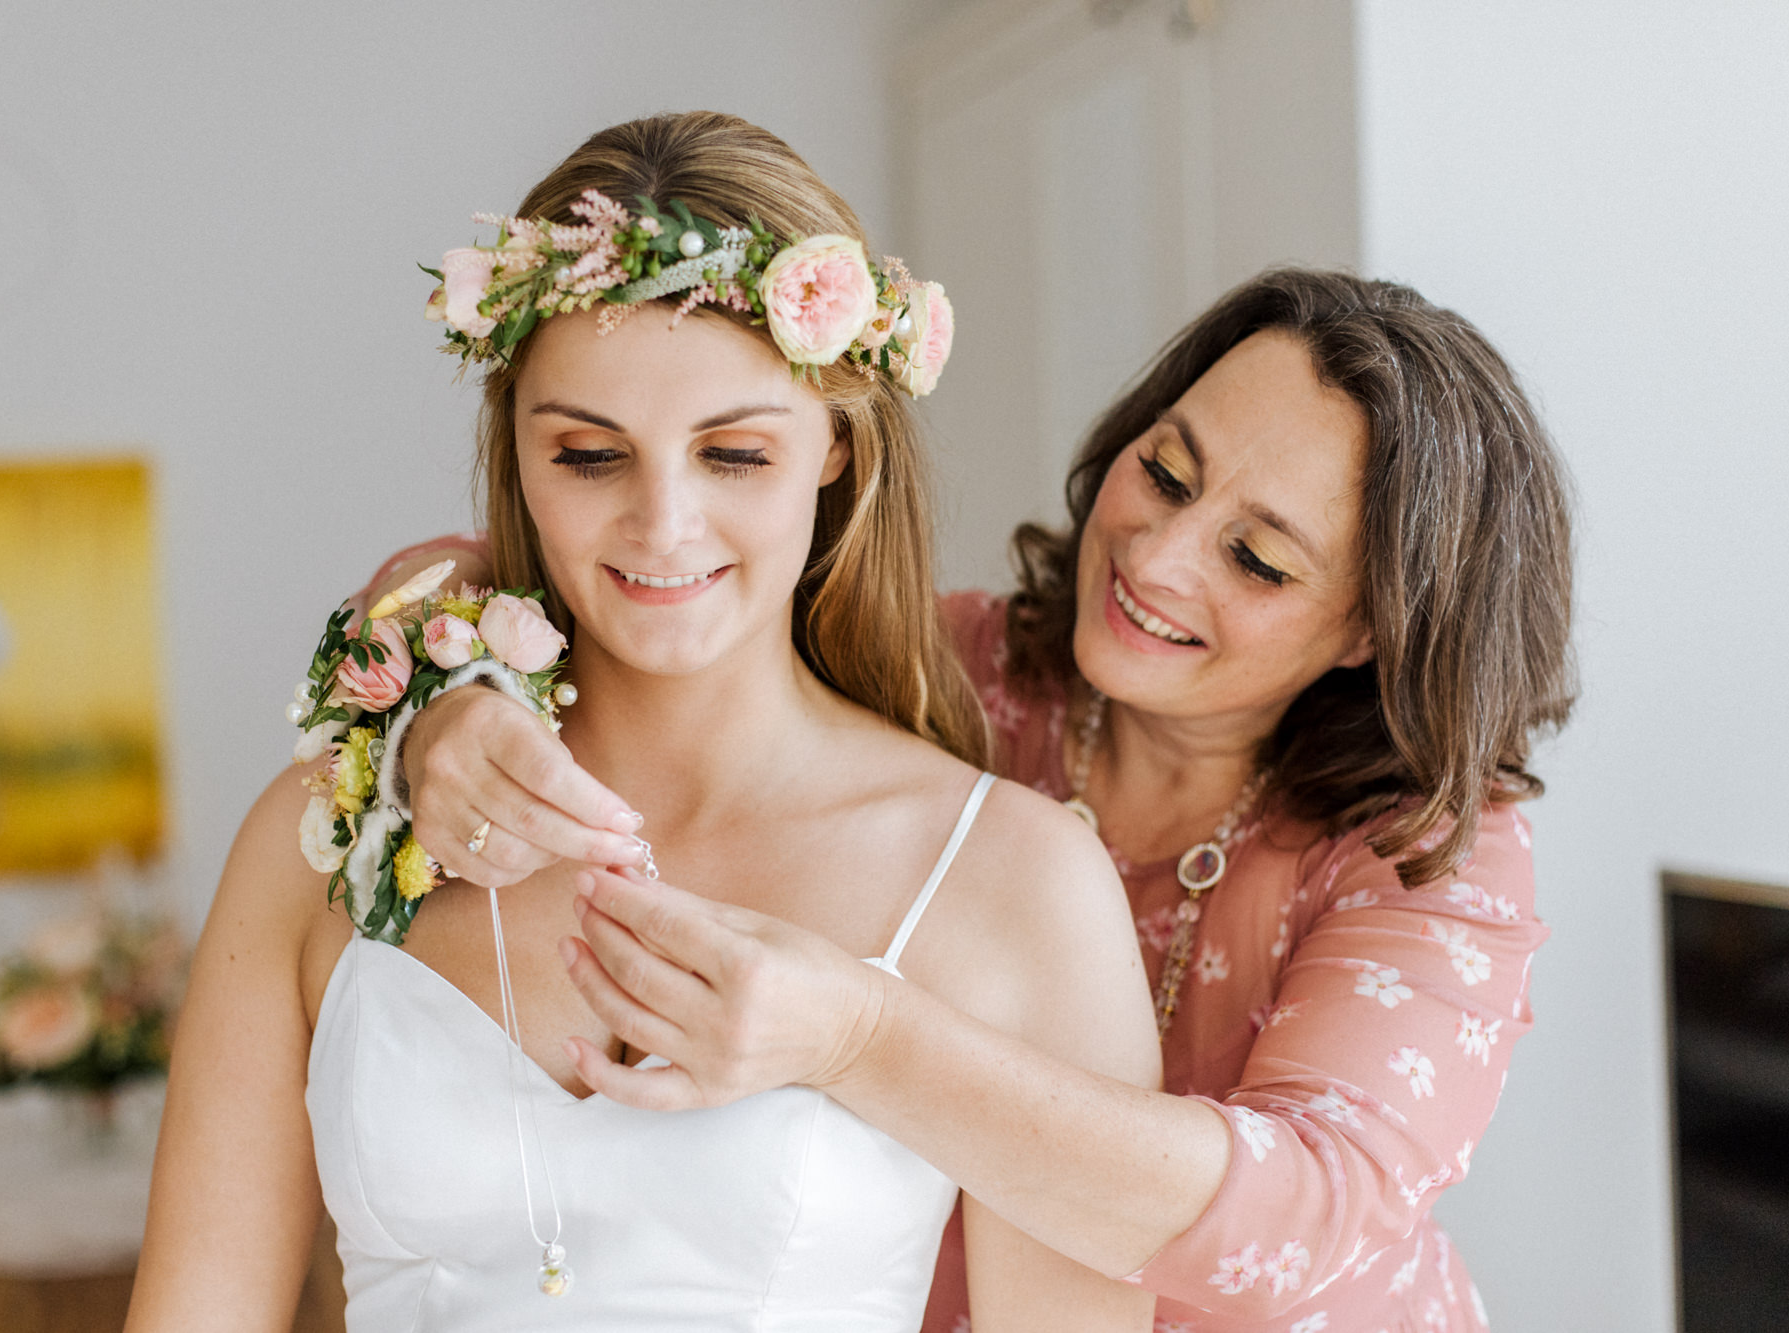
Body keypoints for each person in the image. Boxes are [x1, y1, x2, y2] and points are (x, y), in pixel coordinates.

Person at [371, 267, 1575, 1331]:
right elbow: (645, 570)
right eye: (1162, 472)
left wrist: (859, 1036)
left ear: (1373, 625)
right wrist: (452, 684)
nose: (1155, 558)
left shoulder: (1429, 854)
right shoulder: (948, 673)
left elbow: (1296, 1216)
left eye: (1256, 559)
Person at [126, 111, 1161, 1333]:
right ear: (514, 451)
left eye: (731, 453)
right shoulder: (322, 833)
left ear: (835, 444)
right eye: (587, 455)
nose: (660, 528)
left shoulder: (1011, 877)